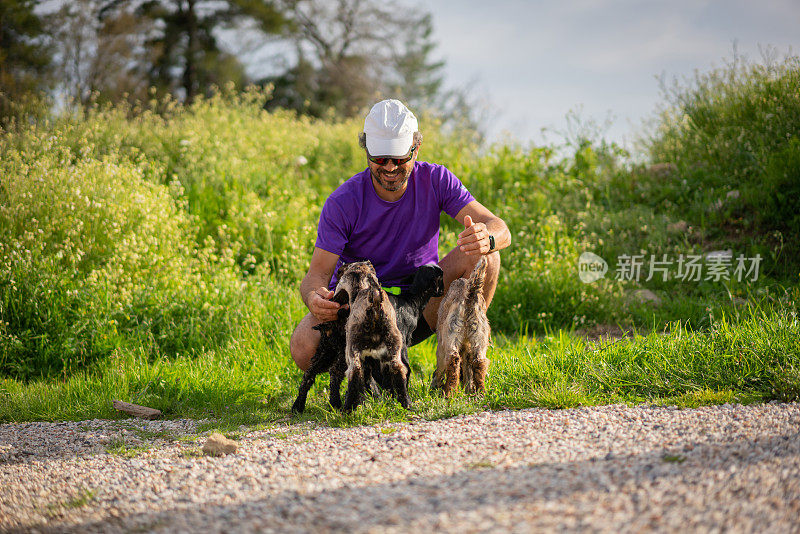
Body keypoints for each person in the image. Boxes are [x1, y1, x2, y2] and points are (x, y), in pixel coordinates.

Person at [290, 99, 510, 371]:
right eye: (380, 159)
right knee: (303, 348)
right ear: (366, 151)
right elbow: (316, 275)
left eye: (399, 158)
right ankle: (364, 366)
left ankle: (458, 358)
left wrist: (485, 238)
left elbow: (499, 228)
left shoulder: (436, 179)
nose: (390, 168)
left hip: (418, 303)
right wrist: (314, 298)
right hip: (361, 309)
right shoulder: (343, 201)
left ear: (415, 149)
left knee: (487, 256)